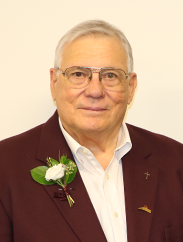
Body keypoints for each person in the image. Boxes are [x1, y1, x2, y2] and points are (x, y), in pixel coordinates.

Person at [0, 20, 183, 242]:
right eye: (78, 74)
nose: (95, 90)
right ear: (54, 82)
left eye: (110, 75)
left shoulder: (175, 160)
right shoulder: (6, 166)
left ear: (131, 87)